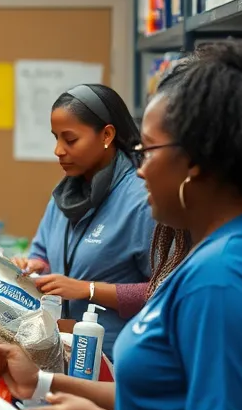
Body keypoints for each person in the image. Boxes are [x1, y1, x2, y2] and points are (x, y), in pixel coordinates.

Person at [0, 41, 242, 410]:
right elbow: (155, 398)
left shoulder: (221, 280)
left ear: (195, 162)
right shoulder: (219, 256)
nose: (139, 170)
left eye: (149, 151)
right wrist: (39, 383)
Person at [13, 82, 155, 353]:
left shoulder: (142, 202)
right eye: (55, 138)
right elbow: (43, 253)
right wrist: (32, 265)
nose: (58, 150)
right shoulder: (64, 196)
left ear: (107, 135)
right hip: (64, 352)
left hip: (118, 361)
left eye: (70, 139)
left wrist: (88, 290)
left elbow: (165, 291)